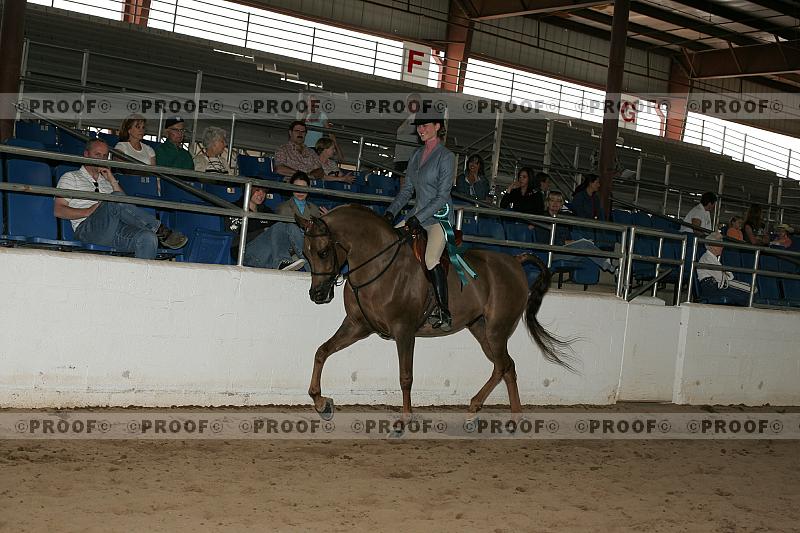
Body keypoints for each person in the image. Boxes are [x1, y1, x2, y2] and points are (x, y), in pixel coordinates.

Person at [54, 139, 187, 259]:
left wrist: (112, 180)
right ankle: (161, 230)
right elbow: (58, 210)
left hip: (114, 229)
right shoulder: (71, 177)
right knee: (114, 199)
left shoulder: (107, 181)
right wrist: (88, 211)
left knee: (148, 238)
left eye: (105, 156)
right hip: (87, 230)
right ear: (86, 154)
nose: (102, 159)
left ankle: (142, 278)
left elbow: (125, 204)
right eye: (97, 155)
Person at [384, 112, 454, 332]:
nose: (420, 129)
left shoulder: (446, 156)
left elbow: (442, 196)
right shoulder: (415, 155)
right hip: (416, 215)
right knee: (388, 243)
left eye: (425, 125)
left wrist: (418, 218)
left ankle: (443, 310)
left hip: (438, 218)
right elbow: (407, 190)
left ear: (437, 126)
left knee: (431, 258)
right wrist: (391, 212)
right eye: (419, 126)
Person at [227, 185, 304, 270]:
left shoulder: (267, 211)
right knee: (279, 226)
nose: (261, 194)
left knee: (291, 226)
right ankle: (282, 261)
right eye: (257, 190)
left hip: (269, 255)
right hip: (246, 254)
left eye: (264, 191)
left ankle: (308, 262)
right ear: (248, 190)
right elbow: (233, 239)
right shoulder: (235, 208)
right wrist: (263, 231)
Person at [542, 190, 616, 274]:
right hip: (550, 254)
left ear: (562, 204)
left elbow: (567, 238)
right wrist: (566, 242)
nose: (555, 203)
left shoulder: (563, 218)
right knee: (585, 245)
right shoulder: (543, 218)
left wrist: (573, 242)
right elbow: (544, 240)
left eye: (558, 201)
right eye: (552, 200)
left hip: (563, 250)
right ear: (547, 202)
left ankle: (607, 264)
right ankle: (610, 266)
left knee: (587, 247)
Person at [696, 232, 750, 306]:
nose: (722, 247)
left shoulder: (711, 258)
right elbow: (722, 277)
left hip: (717, 286)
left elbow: (727, 276)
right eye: (719, 244)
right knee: (743, 297)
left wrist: (724, 274)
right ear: (712, 246)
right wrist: (724, 273)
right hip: (712, 288)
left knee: (745, 294)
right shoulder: (707, 258)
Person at [393, 93, 420, 180]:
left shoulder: (417, 118)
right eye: (408, 102)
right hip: (401, 159)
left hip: (408, 159)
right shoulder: (409, 118)